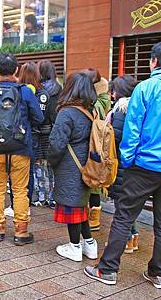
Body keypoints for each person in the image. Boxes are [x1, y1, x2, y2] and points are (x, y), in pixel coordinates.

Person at [85, 41, 161, 289]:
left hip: (144, 165)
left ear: (154, 61)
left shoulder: (146, 89)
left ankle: (107, 269)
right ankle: (158, 273)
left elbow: (133, 130)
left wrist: (127, 161)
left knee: (124, 216)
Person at [0, 53, 44, 245]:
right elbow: (39, 117)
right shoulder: (24, 91)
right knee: (20, 189)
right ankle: (21, 231)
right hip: (21, 146)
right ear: (16, 70)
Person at [49, 71, 99, 262]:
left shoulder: (67, 112)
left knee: (72, 204)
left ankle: (75, 247)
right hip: (88, 164)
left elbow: (56, 143)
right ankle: (90, 244)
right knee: (80, 204)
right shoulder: (91, 111)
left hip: (70, 166)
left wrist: (52, 162)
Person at [107, 75, 140, 254]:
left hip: (121, 163)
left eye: (114, 91)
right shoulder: (138, 106)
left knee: (122, 206)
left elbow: (117, 139)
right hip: (136, 164)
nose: (112, 94)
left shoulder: (120, 110)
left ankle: (126, 240)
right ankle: (133, 238)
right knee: (129, 204)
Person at [17, 62, 47, 206]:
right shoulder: (42, 93)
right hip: (34, 135)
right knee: (29, 170)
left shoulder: (17, 91)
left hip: (16, 135)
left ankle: (18, 200)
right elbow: (41, 117)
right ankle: (26, 200)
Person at [86, 72, 112, 232]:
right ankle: (94, 217)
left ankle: (93, 218)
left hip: (94, 144)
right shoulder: (106, 101)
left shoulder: (95, 104)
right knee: (96, 182)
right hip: (103, 146)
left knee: (93, 183)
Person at [36, 60, 62, 208]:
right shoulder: (60, 89)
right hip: (54, 132)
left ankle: (41, 196)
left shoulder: (39, 91)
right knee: (53, 166)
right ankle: (53, 198)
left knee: (39, 165)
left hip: (41, 132)